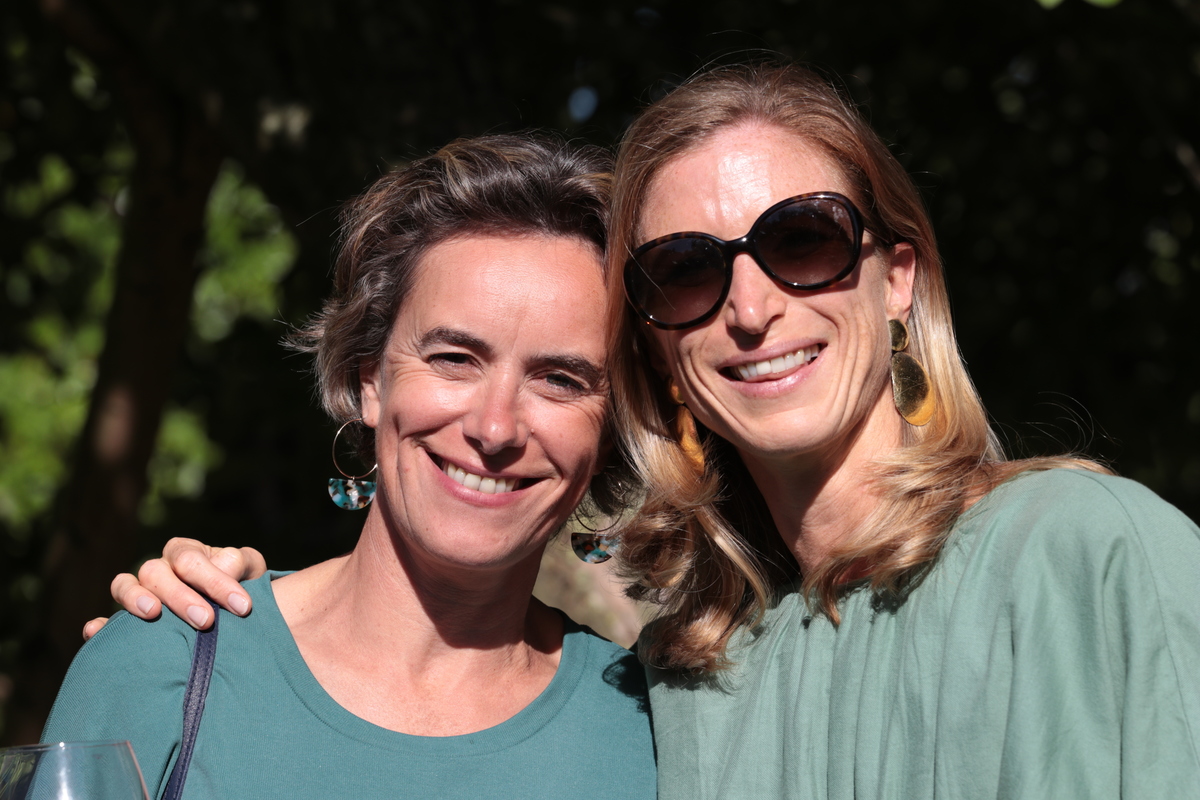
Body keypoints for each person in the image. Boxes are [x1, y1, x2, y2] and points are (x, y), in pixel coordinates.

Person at [96, 64, 1200, 798]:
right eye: (686, 271)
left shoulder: (1086, 552)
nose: (752, 306)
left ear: (897, 274)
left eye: (804, 241)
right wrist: (176, 648)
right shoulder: (692, 683)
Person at [42, 133, 656, 800]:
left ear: (612, 428)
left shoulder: (650, 734)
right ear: (370, 380)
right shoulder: (164, 670)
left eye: (561, 379)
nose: (495, 427)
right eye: (453, 359)